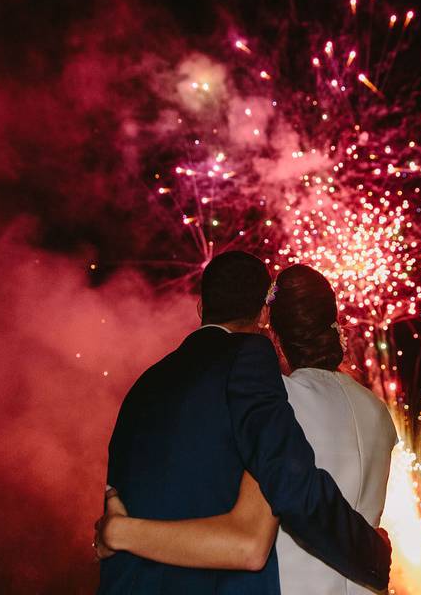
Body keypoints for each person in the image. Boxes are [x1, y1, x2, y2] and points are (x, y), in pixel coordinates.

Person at [96, 253, 392, 594]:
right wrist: (374, 555)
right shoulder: (254, 365)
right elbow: (282, 503)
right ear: (263, 313)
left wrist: (115, 532)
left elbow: (129, 498)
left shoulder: (143, 386)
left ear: (200, 306)